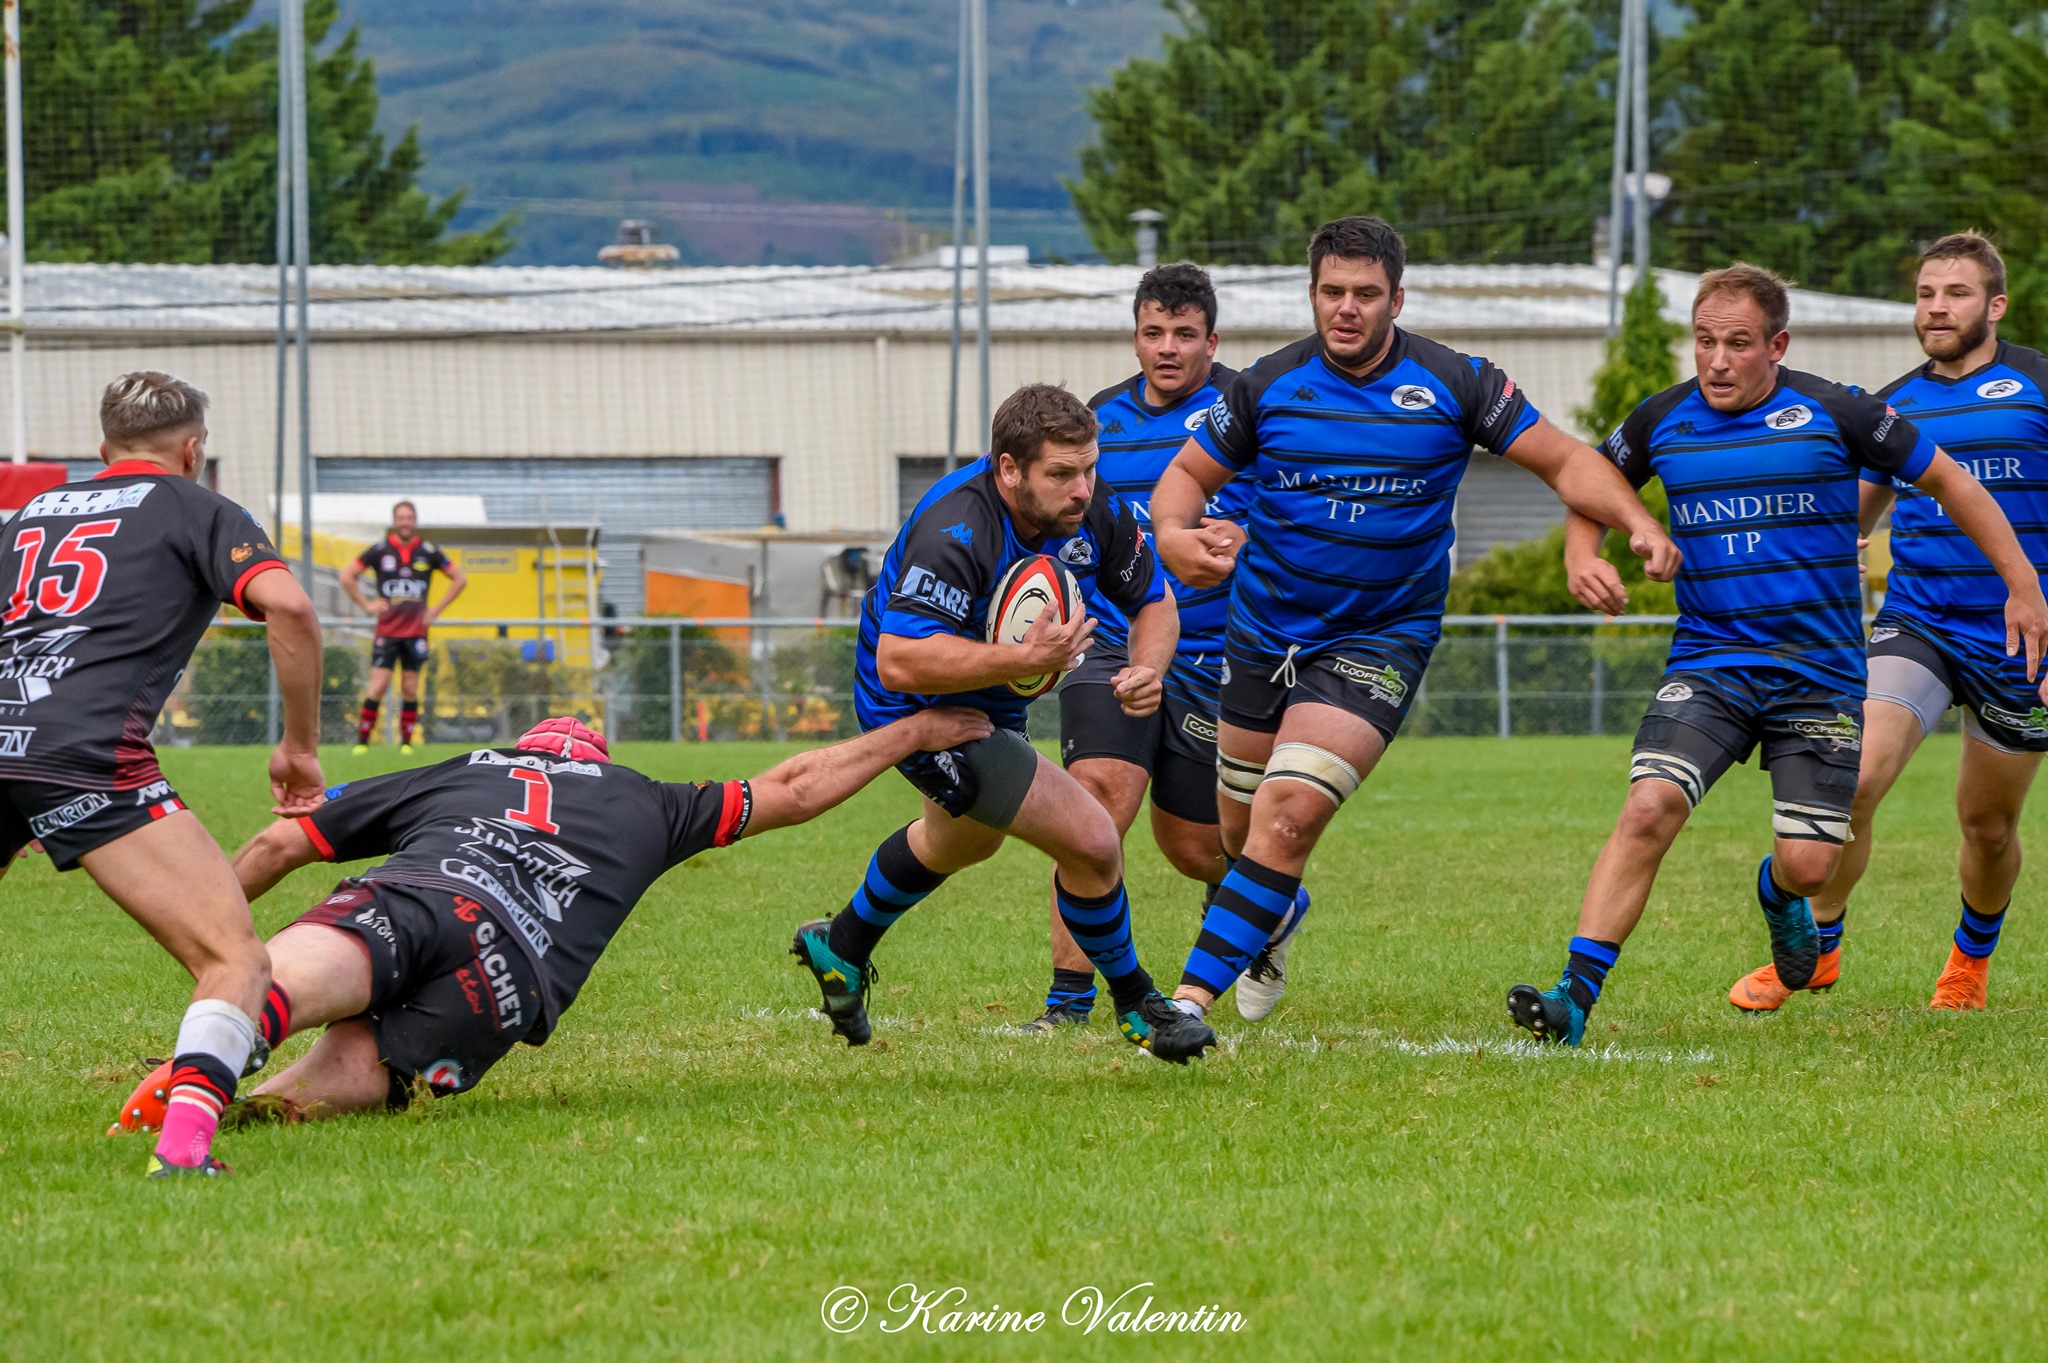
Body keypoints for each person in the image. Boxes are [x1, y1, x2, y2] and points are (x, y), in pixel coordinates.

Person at [1147, 216, 1678, 1028]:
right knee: (1238, 834)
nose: (1347, 309)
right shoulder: (1266, 386)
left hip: (1379, 637)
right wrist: (1177, 539)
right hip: (1260, 632)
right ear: (1313, 294)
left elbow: (1567, 459)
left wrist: (1634, 523)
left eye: (1366, 294)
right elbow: (1182, 479)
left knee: (1289, 812)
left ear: (1398, 297)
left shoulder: (1456, 383)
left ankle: (1185, 1004)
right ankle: (1272, 918)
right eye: (1332, 292)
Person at [1509, 262, 2048, 1045]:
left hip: (1819, 678)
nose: (1717, 360)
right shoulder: (1665, 418)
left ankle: (1790, 897)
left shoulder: (1842, 411)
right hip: (1713, 664)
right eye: (1703, 342)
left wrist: (2025, 585)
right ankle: (1574, 996)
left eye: (1736, 344)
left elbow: (1956, 484)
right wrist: (1585, 549)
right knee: (1650, 805)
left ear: (1777, 345)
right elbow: (1589, 474)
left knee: (1817, 864)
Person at [108, 711, 991, 1126]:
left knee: (286, 980)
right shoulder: (649, 799)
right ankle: (258, 1099)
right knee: (355, 1059)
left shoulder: (461, 767)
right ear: (599, 760)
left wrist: (218, 946)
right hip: (504, 977)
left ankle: (219, 1050)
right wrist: (912, 733)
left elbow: (278, 843)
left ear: (525, 749)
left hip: (420, 894)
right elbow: (797, 788)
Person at [790, 382, 1218, 1063]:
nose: (1082, 489)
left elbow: (1156, 601)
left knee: (961, 843)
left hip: (989, 693)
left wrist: (1148, 670)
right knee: (1092, 839)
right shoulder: (958, 526)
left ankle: (840, 947)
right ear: (1009, 468)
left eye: (1089, 469)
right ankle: (1138, 1003)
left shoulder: (1091, 507)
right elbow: (900, 660)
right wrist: (1024, 657)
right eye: (1061, 474)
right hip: (921, 710)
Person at [0, 371, 325, 1176]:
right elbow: (287, 607)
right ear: (192, 449)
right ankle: (181, 1155)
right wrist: (299, 747)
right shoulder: (194, 505)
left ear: (100, 448)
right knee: (235, 960)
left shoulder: (29, 514)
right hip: (81, 754)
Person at [1729, 233, 2048, 1013]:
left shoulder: (2039, 383)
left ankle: (1968, 962)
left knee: (1987, 825)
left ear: (1994, 305)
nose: (1937, 307)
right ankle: (1820, 946)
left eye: (1957, 293)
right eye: (1926, 293)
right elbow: (1853, 519)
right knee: (1856, 780)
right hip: (1920, 622)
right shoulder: (1894, 404)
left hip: (2020, 635)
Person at [1021, 262, 1305, 1033]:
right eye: (1154, 333)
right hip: (1114, 641)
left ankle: (1267, 899)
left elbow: (1287, 516)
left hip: (1220, 654)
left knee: (1192, 846)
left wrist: (1244, 536)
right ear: (1136, 337)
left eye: (1184, 334)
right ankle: (1067, 1003)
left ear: (1212, 340)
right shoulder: (1100, 420)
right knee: (1095, 802)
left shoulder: (1250, 410)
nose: (1168, 348)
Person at [343, 500, 467, 753]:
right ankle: (362, 743)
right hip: (387, 631)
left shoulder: (429, 551)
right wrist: (367, 605)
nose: (405, 522)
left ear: (415, 521)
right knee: (377, 686)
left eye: (409, 518)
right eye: (401, 518)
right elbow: (347, 576)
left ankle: (406, 744)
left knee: (410, 688)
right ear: (394, 521)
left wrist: (436, 610)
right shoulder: (380, 550)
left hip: (416, 632)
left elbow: (459, 578)